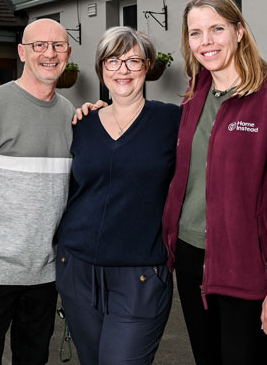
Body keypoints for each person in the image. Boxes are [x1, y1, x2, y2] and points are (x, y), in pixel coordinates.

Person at [161, 0, 267, 364]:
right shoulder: (195, 95)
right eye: (196, 33)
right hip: (190, 259)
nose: (207, 42)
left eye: (217, 29)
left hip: (247, 265)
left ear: (240, 32)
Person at [0, 18, 75, 365]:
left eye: (58, 46)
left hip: (46, 276)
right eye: (39, 45)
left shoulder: (70, 115)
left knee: (34, 359)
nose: (49, 53)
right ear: (22, 52)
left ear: (67, 54)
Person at [55, 27, 179, 365]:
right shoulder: (82, 124)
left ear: (148, 67)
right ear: (101, 69)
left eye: (133, 61)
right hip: (76, 268)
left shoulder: (172, 120)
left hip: (139, 275)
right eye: (113, 61)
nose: (122, 70)